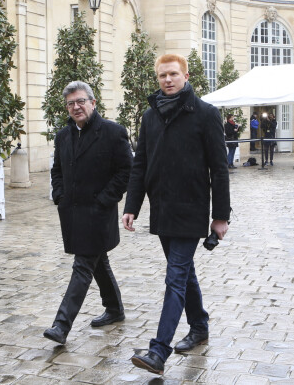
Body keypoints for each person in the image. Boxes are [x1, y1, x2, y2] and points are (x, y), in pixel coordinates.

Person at [122, 54, 230, 375]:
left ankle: (158, 351)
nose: (167, 80)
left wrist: (220, 216)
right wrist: (131, 206)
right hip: (162, 209)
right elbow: (140, 164)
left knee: (175, 277)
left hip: (191, 208)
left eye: (173, 74)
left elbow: (219, 169)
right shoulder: (150, 116)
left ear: (185, 75)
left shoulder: (206, 114)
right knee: (183, 272)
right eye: (162, 76)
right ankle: (199, 325)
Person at [43, 80, 133, 345]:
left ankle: (61, 325)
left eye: (81, 101)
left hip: (98, 213)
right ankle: (115, 309)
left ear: (93, 103)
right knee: (97, 262)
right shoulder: (63, 136)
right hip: (71, 213)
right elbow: (57, 170)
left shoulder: (113, 132)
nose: (76, 107)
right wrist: (59, 195)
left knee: (83, 266)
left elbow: (126, 171)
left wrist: (104, 200)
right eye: (71, 103)